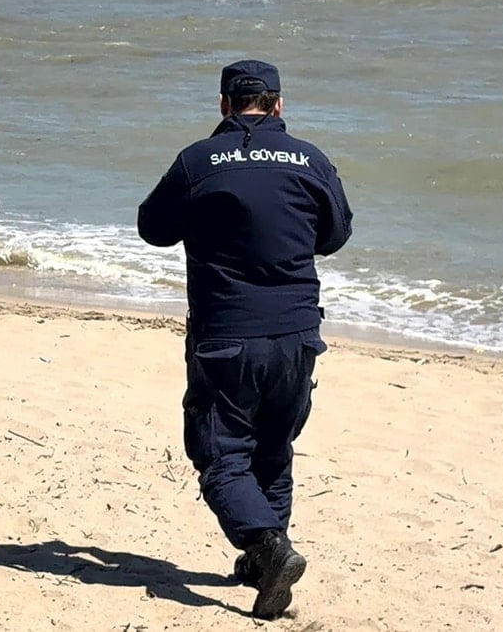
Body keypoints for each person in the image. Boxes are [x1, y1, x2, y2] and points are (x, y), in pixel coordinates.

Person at [137, 60, 352, 620]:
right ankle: (265, 566)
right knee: (274, 449)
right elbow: (335, 235)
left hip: (226, 333)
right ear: (279, 104)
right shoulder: (310, 159)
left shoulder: (199, 160)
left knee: (220, 454)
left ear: (224, 104)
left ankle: (267, 546)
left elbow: (153, 228)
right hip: (297, 332)